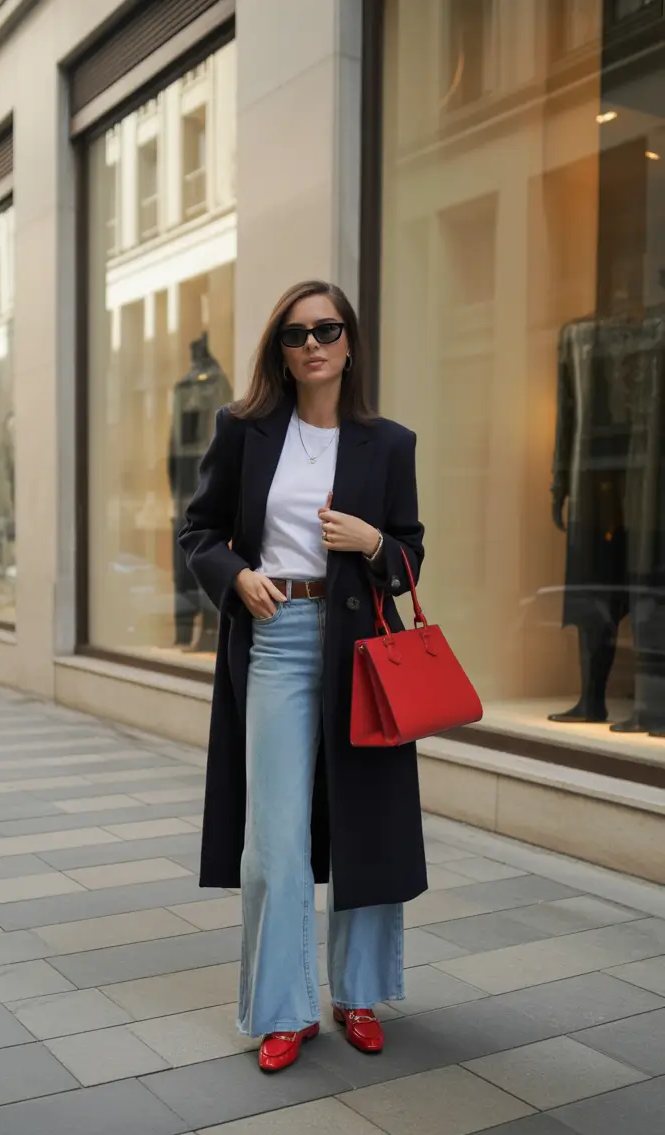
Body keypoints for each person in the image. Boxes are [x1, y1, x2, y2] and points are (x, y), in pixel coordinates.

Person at [180, 279, 427, 1073]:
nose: (312, 343)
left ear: (350, 342)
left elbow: (409, 555)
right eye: (295, 334)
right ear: (280, 352)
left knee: (367, 821)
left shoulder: (388, 444)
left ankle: (357, 995)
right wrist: (237, 577)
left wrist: (372, 543)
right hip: (278, 638)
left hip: (362, 650)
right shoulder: (244, 430)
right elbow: (201, 530)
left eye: (326, 329)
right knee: (276, 836)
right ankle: (284, 1009)